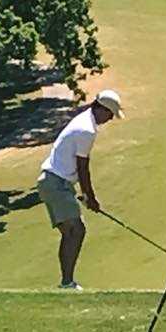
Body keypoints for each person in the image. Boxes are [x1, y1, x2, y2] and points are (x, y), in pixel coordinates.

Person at [37, 90, 123, 290]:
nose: (110, 119)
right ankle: (67, 283)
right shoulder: (87, 130)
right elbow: (82, 167)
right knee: (76, 230)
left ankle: (66, 281)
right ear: (100, 109)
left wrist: (83, 195)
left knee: (72, 231)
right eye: (110, 114)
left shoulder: (84, 121)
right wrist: (90, 198)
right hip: (55, 183)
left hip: (56, 183)